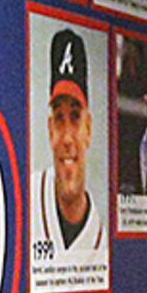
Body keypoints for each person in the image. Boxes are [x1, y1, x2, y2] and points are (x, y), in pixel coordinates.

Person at [41, 25, 98, 253]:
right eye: (59, 118)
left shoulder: (101, 239)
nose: (66, 138)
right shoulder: (26, 202)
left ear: (89, 129)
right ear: (49, 129)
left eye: (75, 117)